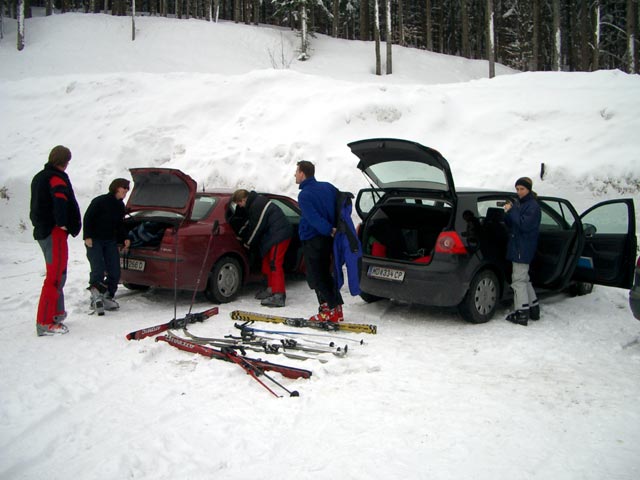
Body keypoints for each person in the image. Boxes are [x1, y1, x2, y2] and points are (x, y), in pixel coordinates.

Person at [30, 145, 82, 336]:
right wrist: (63, 224)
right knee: (54, 277)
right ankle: (44, 321)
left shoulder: (40, 176)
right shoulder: (55, 177)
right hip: (54, 232)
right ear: (65, 161)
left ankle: (56, 313)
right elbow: (59, 200)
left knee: (59, 273)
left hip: (45, 230)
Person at [294, 160, 344, 322]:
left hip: (314, 239)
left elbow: (313, 218)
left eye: (296, 171)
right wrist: (334, 227)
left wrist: (328, 228)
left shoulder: (305, 195)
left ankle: (331, 311)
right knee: (325, 273)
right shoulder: (327, 187)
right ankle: (336, 306)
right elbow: (340, 201)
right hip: (327, 239)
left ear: (302, 173)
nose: (294, 175)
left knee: (317, 276)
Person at [231, 189, 292, 307]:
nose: (240, 207)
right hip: (272, 236)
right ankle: (271, 289)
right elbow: (251, 223)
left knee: (275, 263)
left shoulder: (258, 204)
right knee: (267, 262)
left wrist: (247, 243)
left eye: (239, 204)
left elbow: (256, 227)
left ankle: (279, 295)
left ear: (243, 199)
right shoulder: (255, 203)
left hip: (280, 235)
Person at [83, 178, 131, 315]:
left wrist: (125, 238)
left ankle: (107, 296)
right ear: (116, 188)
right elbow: (88, 218)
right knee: (98, 269)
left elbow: (120, 225)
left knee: (114, 271)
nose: (126, 190)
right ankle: (95, 297)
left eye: (127, 188)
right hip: (95, 240)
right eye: (124, 188)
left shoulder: (120, 206)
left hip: (110, 241)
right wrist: (87, 236)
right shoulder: (100, 201)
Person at [504, 176, 541, 326]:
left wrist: (512, 211)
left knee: (518, 280)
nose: (519, 192)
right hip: (519, 245)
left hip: (522, 247)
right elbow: (511, 223)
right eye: (517, 189)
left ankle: (521, 313)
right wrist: (508, 212)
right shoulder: (521, 204)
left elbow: (523, 225)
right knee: (524, 279)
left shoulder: (532, 206)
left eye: (522, 189)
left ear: (529, 189)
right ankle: (533, 308)